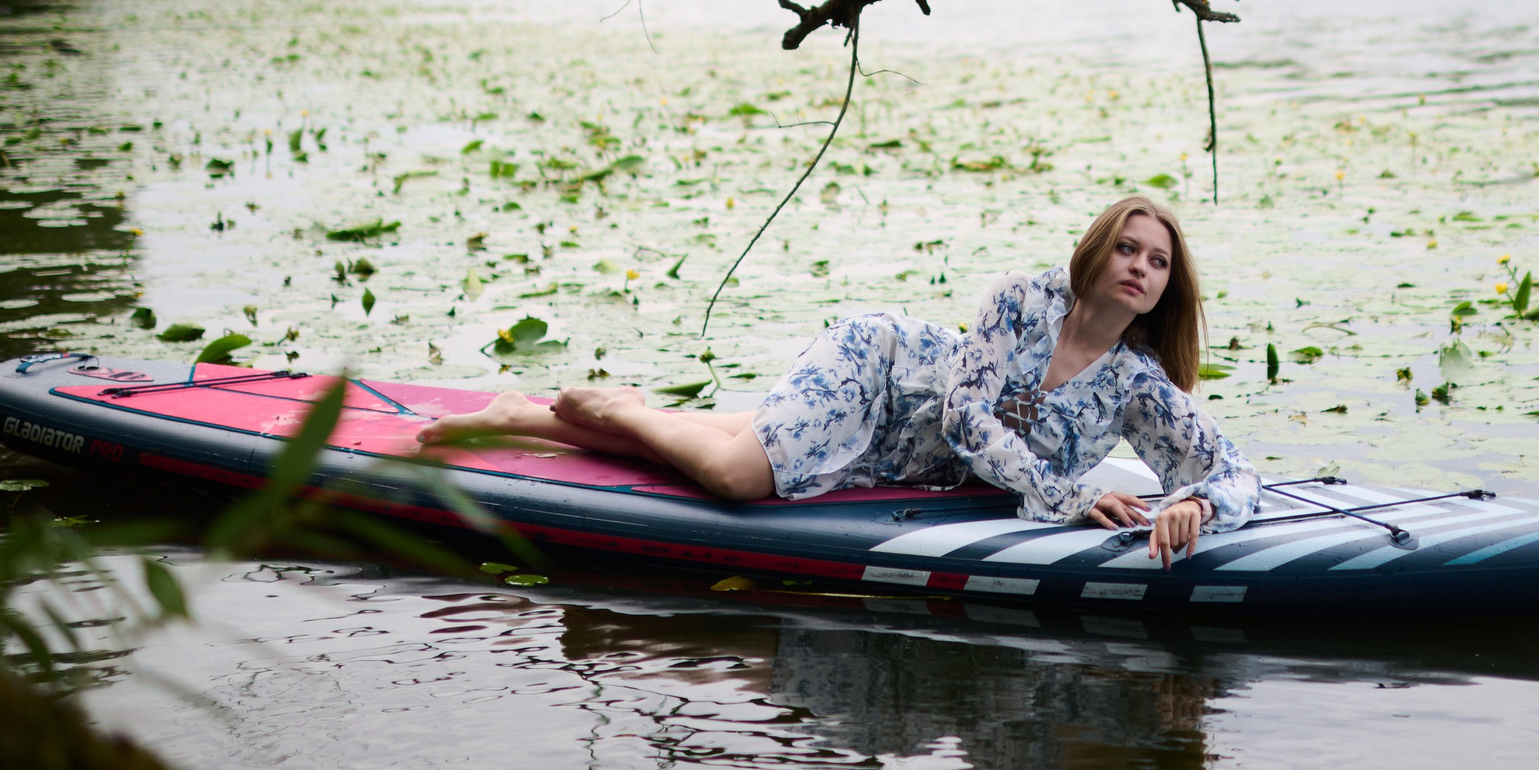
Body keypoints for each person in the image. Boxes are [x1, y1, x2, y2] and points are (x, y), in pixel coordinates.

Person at [417, 195, 1260, 566]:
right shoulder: (1021, 299)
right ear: (1095, 247)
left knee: (728, 439)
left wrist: (1196, 503)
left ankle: (520, 415)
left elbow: (1231, 471)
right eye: (1127, 246)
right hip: (880, 373)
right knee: (733, 476)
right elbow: (967, 421)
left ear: (1166, 287)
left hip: (902, 457)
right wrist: (1067, 494)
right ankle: (618, 408)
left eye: (1158, 260)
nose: (1140, 267)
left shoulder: (1139, 385)